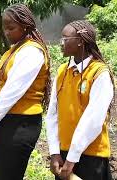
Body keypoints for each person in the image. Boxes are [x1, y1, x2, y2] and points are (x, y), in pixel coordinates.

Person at [0, 4, 51, 180]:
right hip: (4, 121)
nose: (6, 32)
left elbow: (11, 92)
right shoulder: (12, 51)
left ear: (25, 26)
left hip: (19, 124)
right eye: (4, 27)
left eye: (11, 28)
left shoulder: (32, 52)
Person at [45, 20, 115, 180]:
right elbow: (52, 115)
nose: (60, 43)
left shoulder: (99, 73)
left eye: (65, 39)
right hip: (63, 155)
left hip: (91, 157)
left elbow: (93, 121)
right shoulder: (63, 71)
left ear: (80, 42)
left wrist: (72, 158)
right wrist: (54, 152)